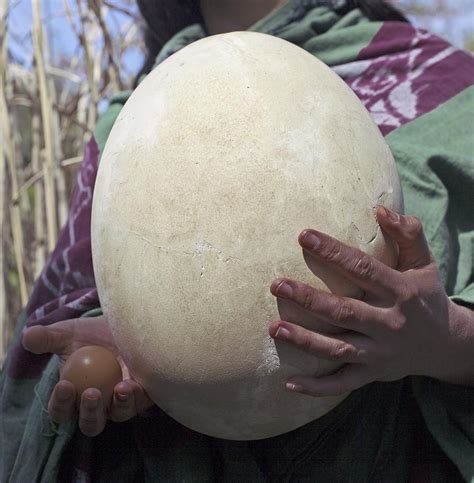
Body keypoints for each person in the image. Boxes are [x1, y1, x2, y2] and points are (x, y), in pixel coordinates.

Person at [1, 0, 473, 481]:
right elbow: (60, 331)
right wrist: (129, 339)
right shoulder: (128, 125)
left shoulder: (449, 89)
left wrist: (446, 339)